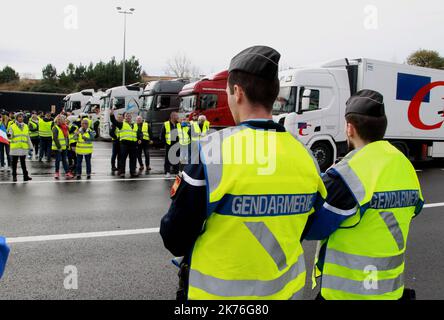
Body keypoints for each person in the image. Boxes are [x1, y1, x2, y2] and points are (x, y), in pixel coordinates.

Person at [160, 46, 327, 300]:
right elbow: (310, 225)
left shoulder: (213, 150)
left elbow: (175, 236)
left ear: (237, 92)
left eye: (227, 91)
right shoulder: (305, 156)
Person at [304, 90, 424, 300]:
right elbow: (415, 208)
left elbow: (313, 228)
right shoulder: (403, 164)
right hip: (390, 290)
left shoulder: (347, 173)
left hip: (349, 292)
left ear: (350, 128)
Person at [110, 109, 138, 178]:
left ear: (131, 117)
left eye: (129, 116)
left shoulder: (135, 125)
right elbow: (114, 121)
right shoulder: (121, 124)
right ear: (124, 117)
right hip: (124, 144)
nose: (128, 117)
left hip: (133, 144)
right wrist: (111, 114)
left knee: (133, 159)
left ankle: (133, 172)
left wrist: (139, 139)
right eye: (126, 116)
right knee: (122, 159)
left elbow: (139, 133)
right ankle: (122, 172)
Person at [8, 113, 32, 182]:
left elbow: (27, 137)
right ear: (16, 118)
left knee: (23, 163)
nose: (21, 118)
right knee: (14, 163)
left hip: (23, 147)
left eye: (21, 117)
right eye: (19, 117)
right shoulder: (12, 126)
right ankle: (14, 176)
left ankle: (25, 176)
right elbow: (11, 136)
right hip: (15, 147)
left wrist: (30, 146)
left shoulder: (26, 126)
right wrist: (9, 135)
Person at [52, 115, 73, 180]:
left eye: (64, 119)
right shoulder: (55, 128)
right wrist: (59, 147)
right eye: (63, 119)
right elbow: (55, 138)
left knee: (64, 160)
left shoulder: (66, 127)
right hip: (58, 148)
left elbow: (67, 138)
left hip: (65, 147)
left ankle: (67, 172)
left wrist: (68, 145)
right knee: (58, 160)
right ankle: (56, 172)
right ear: (59, 120)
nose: (64, 120)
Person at [160, 112, 180, 177]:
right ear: (172, 117)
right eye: (177, 116)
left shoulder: (178, 124)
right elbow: (162, 135)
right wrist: (165, 143)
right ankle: (167, 172)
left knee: (176, 158)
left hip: (177, 144)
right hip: (169, 144)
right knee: (168, 159)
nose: (178, 117)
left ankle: (176, 171)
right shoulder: (166, 124)